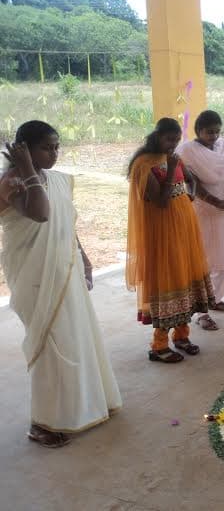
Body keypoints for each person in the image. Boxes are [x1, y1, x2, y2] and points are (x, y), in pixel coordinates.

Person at [0, 121, 121, 447]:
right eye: (46, 148)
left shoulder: (57, 180)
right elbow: (41, 215)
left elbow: (66, 221)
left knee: (76, 338)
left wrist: (83, 257)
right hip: (35, 276)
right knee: (51, 346)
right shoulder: (11, 183)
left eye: (57, 147)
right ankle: (42, 423)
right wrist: (26, 168)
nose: (54, 153)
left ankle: (90, 404)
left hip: (65, 269)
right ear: (23, 148)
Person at [127, 117, 216, 361]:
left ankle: (182, 336)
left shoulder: (174, 159)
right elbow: (161, 200)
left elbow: (191, 180)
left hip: (185, 228)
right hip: (163, 233)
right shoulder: (143, 165)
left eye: (177, 140)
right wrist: (169, 170)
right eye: (169, 139)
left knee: (186, 277)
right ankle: (158, 346)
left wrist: (190, 196)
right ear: (157, 136)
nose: (173, 144)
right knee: (169, 280)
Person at [176, 110, 224, 314]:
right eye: (210, 132)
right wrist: (216, 202)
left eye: (217, 132)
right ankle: (202, 310)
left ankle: (216, 299)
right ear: (199, 131)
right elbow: (193, 184)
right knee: (206, 259)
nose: (214, 136)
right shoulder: (187, 151)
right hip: (204, 210)